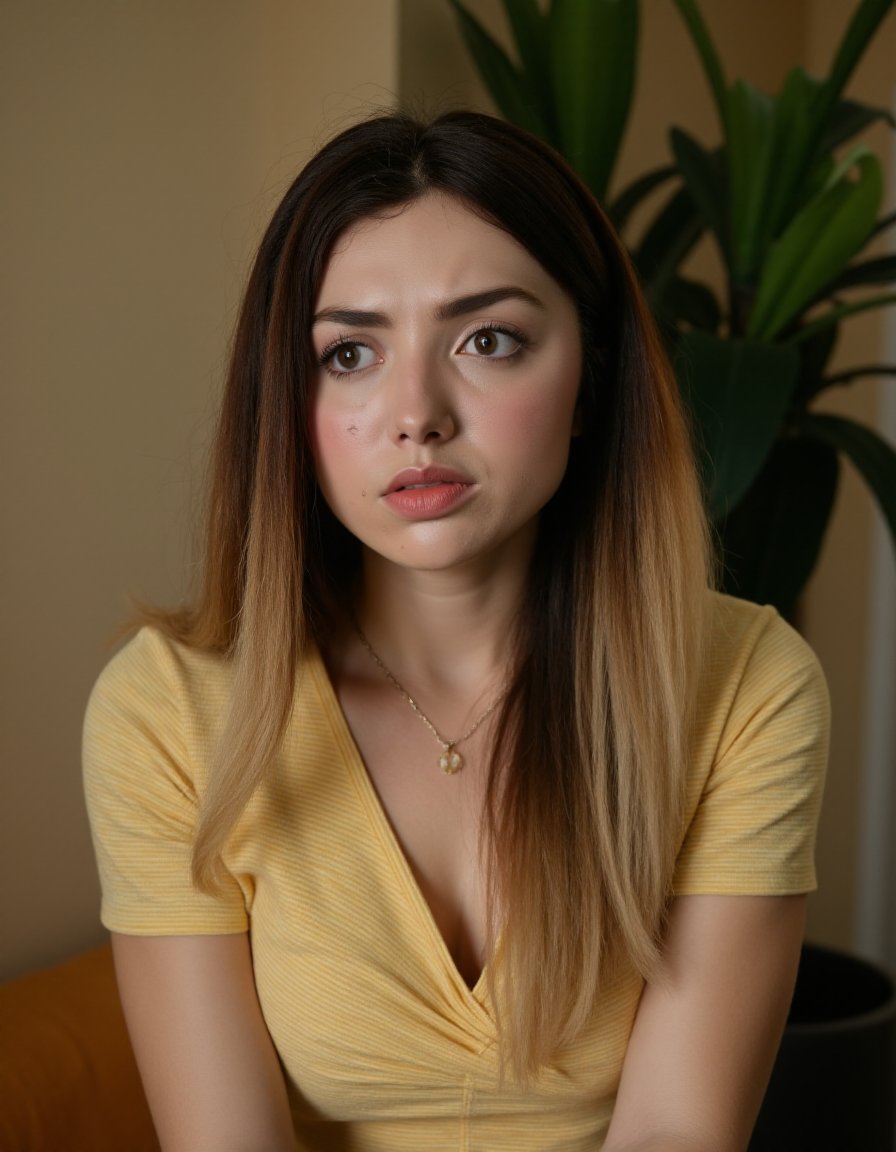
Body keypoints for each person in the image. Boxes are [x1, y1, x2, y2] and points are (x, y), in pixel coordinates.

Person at [83, 110, 828, 1152]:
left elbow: (673, 1130)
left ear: (590, 379)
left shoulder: (743, 687)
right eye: (348, 354)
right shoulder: (171, 709)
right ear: (285, 405)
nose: (416, 412)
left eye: (488, 339)